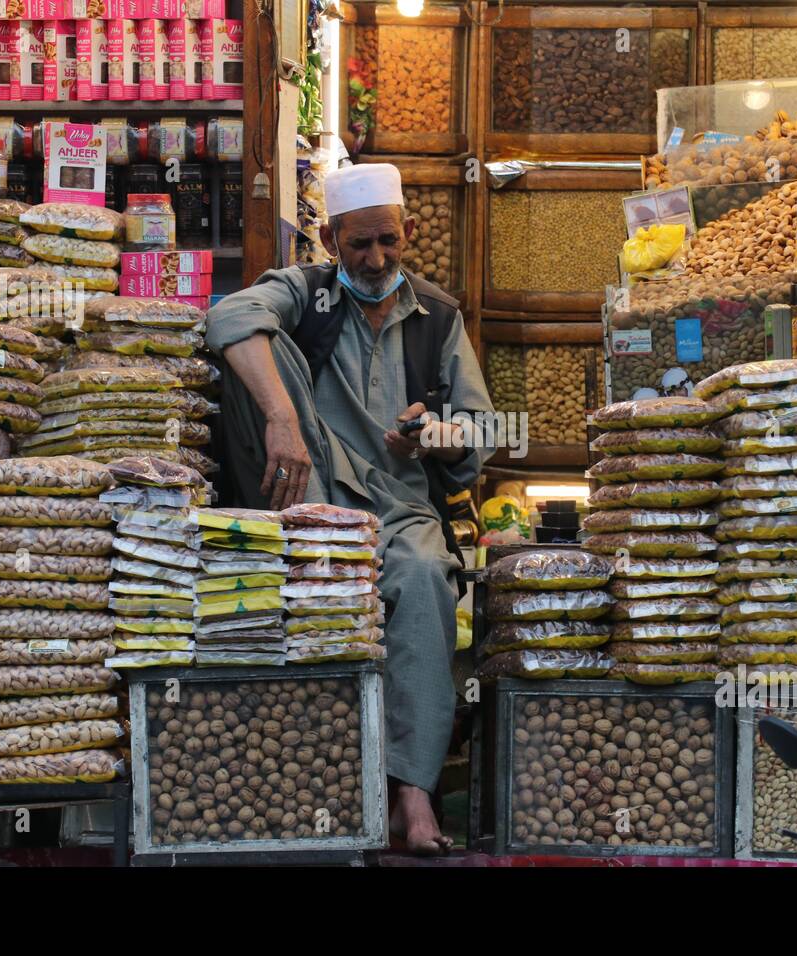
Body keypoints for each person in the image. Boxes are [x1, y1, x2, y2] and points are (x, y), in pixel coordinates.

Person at [206, 162, 495, 855]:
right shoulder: (304, 293)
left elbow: (481, 431)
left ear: (409, 233)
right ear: (332, 239)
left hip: (400, 504)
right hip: (311, 492)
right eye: (358, 245)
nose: (375, 259)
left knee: (427, 578)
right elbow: (228, 315)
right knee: (260, 335)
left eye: (388, 242)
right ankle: (322, 786)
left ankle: (413, 790)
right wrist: (280, 418)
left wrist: (436, 438)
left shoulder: (439, 317)